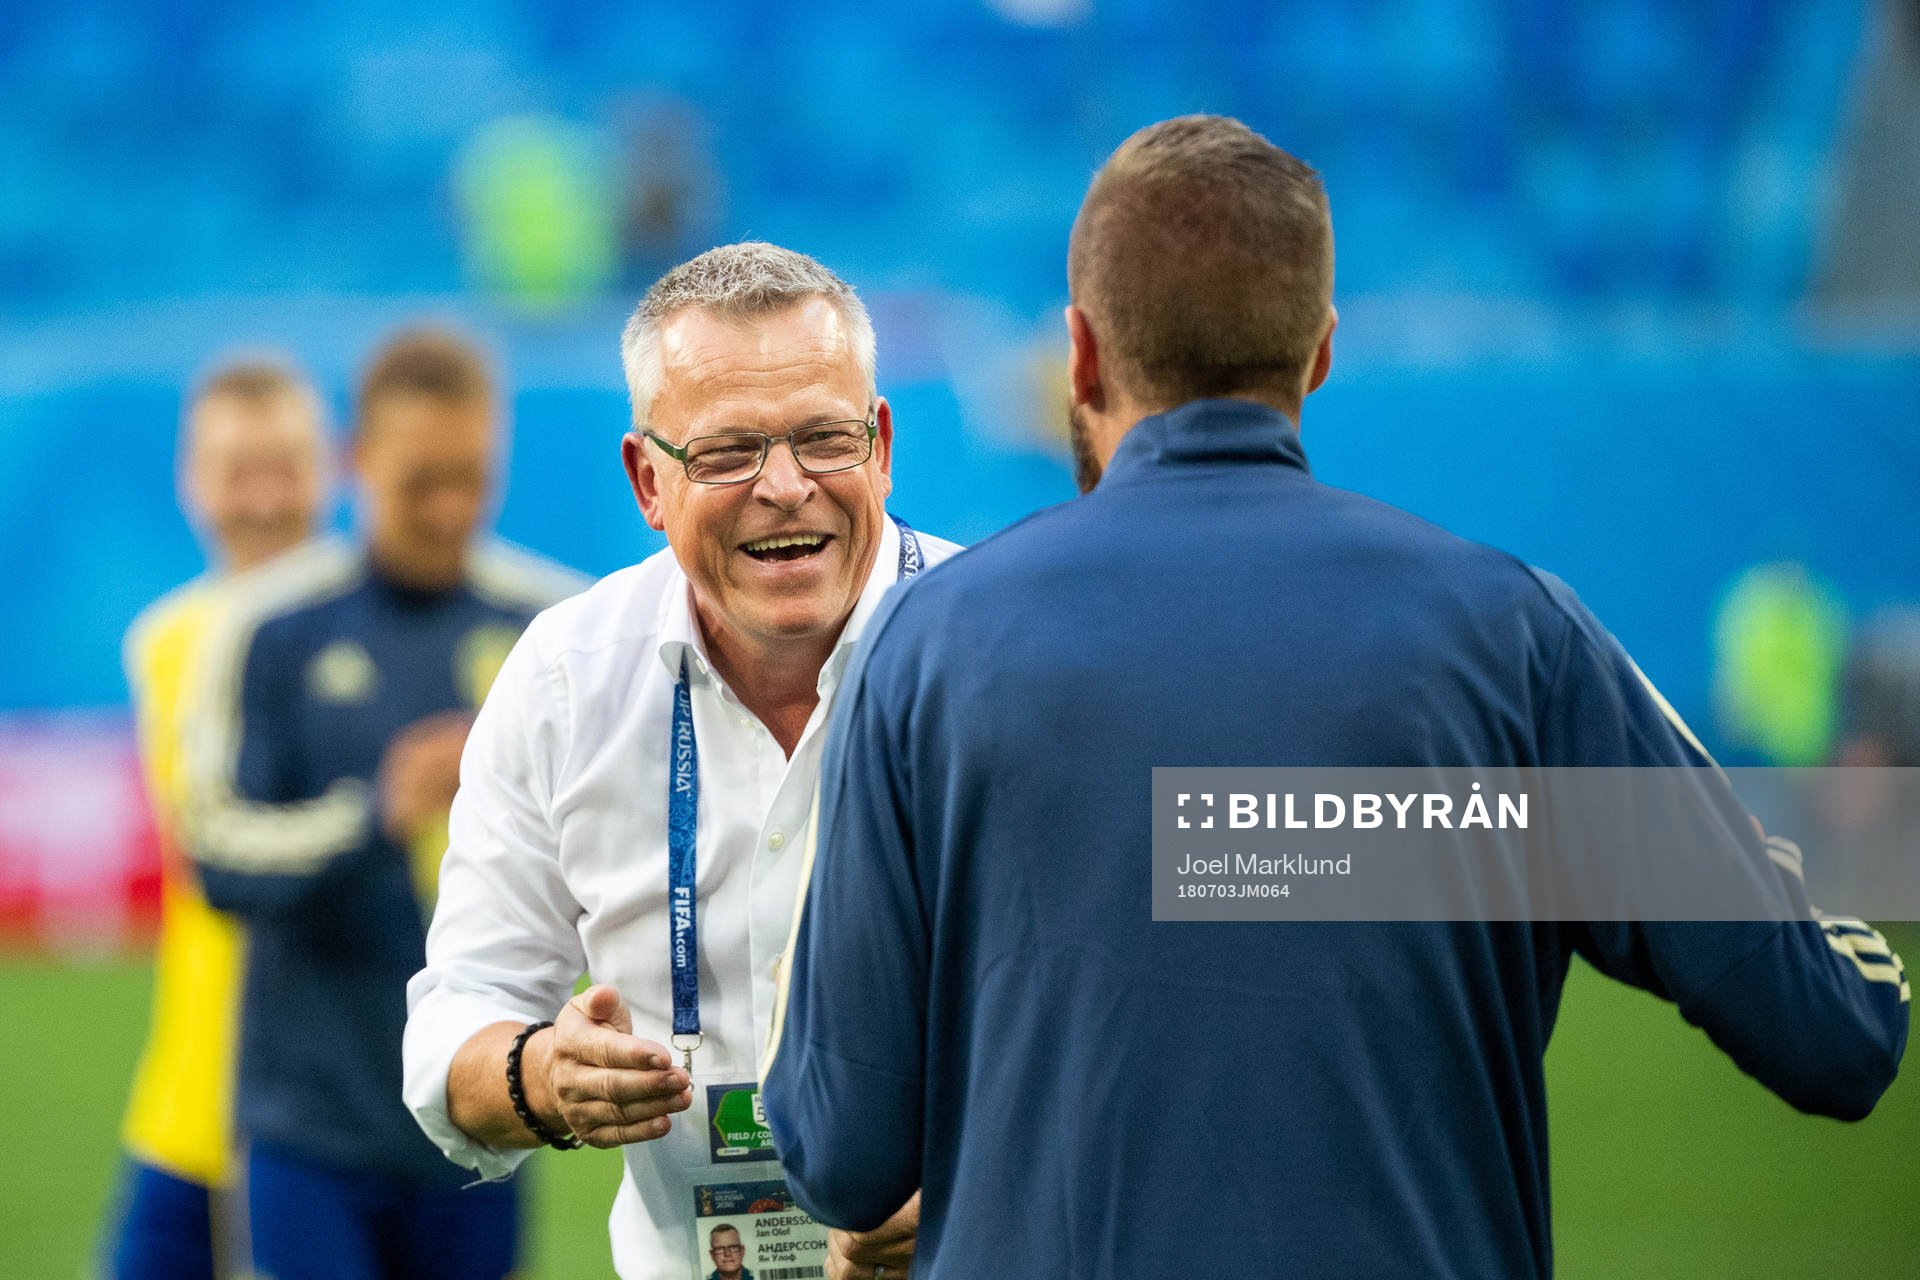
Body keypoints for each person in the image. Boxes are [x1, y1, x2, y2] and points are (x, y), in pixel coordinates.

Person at [760, 115, 1911, 1278]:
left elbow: (841, 1152)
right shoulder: (1514, 638)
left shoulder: (925, 644)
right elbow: (1833, 1032)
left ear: (1083, 352)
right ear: (1318, 353)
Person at [401, 242, 957, 1280]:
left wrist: (979, 1165)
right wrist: (537, 1075)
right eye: (728, 451)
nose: (785, 487)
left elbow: (1141, 1001)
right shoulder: (564, 680)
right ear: (648, 480)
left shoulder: (1004, 654)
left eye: (824, 439)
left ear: (881, 445)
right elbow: (455, 1016)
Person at [185, 330, 583, 1280]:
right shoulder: (267, 625)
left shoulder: (553, 626)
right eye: (421, 482)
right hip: (308, 1123)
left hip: (486, 1113)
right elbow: (216, 850)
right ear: (356, 462)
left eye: (472, 478)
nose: (450, 509)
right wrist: (378, 812)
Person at [104, 359, 330, 1280]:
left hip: (336, 1103)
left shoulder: (384, 630)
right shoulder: (165, 644)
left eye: (286, 465)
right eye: (240, 470)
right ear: (192, 483)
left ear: (333, 470)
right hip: (189, 1100)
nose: (265, 498)